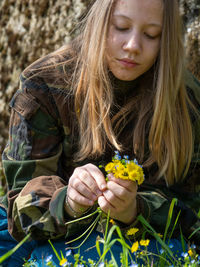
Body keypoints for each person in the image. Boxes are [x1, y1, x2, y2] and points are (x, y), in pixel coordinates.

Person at [0, 0, 200, 266]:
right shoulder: (44, 84)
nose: (132, 46)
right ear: (97, 21)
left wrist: (136, 209)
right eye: (121, 27)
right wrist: (68, 202)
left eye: (151, 35)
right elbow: (20, 204)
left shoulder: (185, 100)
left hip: (137, 238)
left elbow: (191, 213)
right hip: (46, 230)